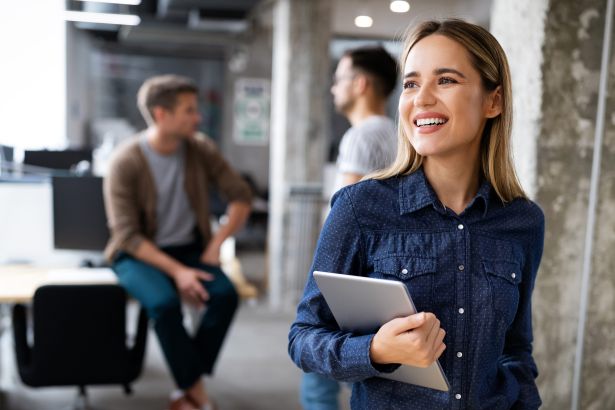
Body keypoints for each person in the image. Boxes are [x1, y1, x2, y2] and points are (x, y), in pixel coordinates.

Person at [289, 18, 544, 410]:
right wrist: (374, 349)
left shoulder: (523, 221)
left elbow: (515, 349)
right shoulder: (360, 207)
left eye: (445, 80)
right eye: (411, 83)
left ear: (493, 101)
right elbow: (303, 338)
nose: (421, 99)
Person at [103, 74, 252, 410]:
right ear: (161, 114)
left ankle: (187, 383)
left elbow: (241, 196)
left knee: (225, 296)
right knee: (165, 304)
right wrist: (178, 273)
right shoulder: (124, 161)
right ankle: (195, 390)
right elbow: (126, 235)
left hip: (192, 249)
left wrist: (215, 246)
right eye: (189, 110)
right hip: (135, 254)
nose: (197, 118)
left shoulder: (199, 149)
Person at [300, 46, 398, 410]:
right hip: (381, 269)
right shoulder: (394, 134)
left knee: (318, 372)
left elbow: (341, 218)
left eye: (338, 79)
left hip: (350, 272)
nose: (332, 88)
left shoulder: (360, 136)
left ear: (360, 84)